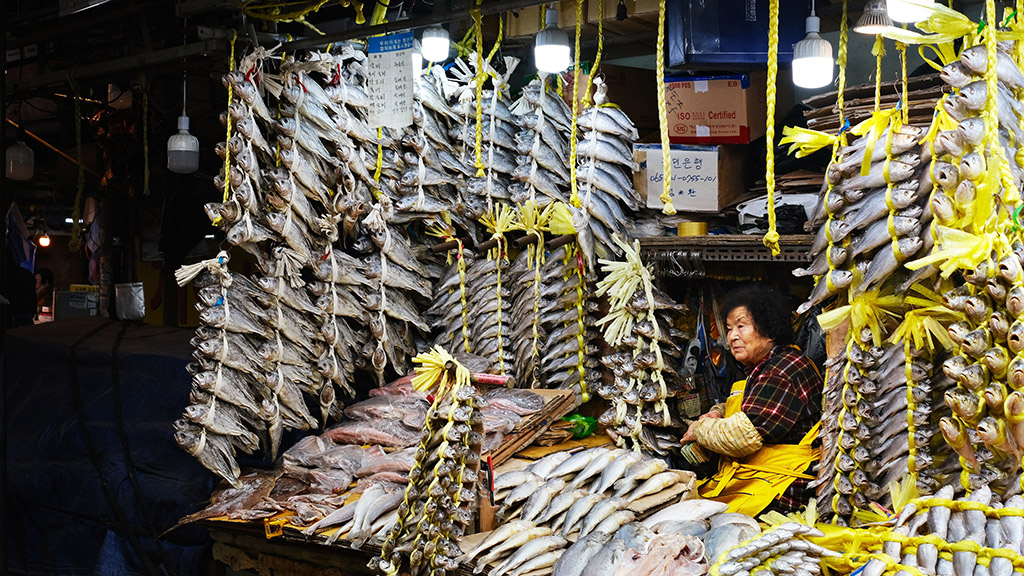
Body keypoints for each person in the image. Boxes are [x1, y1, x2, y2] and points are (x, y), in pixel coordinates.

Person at [681, 285, 823, 516]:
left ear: (768, 329)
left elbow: (743, 436)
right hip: (752, 480)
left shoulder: (783, 368)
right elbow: (746, 403)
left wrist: (699, 429)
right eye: (729, 329)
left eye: (741, 326)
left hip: (778, 492)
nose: (732, 336)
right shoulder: (762, 367)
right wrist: (718, 412)